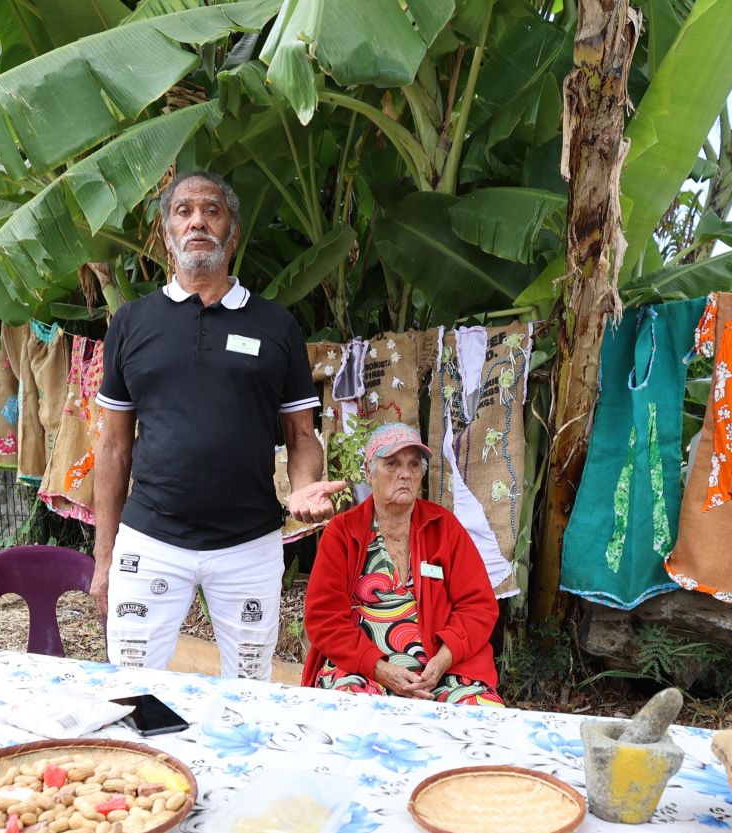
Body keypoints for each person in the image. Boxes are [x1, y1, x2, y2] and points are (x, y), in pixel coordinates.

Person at [90, 171, 346, 679]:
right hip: (151, 540)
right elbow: (114, 448)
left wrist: (303, 490)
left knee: (249, 692)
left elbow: (300, 435)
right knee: (130, 687)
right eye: (183, 212)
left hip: (248, 546)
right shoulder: (131, 324)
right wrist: (104, 559)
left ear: (232, 231)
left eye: (212, 210)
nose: (197, 221)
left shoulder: (276, 326)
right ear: (167, 234)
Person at [301, 423, 503, 704]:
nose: (405, 474)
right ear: (370, 472)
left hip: (441, 669)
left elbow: (478, 606)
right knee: (349, 714)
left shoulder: (443, 527)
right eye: (392, 464)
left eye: (413, 465)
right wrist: (381, 670)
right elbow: (325, 618)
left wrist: (442, 661)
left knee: (481, 717)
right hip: (364, 668)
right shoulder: (343, 532)